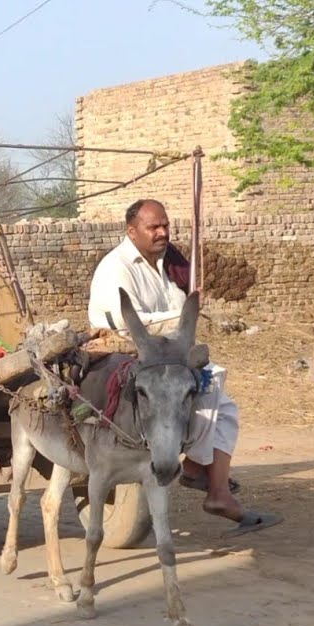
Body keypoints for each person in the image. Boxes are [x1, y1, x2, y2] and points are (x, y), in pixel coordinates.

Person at [86, 198, 282, 536]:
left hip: (163, 355)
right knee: (208, 384)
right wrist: (183, 317)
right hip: (126, 355)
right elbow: (124, 321)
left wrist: (184, 317)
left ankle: (209, 483)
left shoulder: (166, 265)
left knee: (222, 401)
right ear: (131, 231)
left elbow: (177, 315)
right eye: (153, 227)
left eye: (165, 225)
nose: (162, 232)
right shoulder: (115, 267)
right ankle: (197, 472)